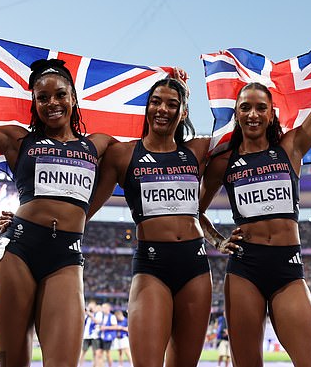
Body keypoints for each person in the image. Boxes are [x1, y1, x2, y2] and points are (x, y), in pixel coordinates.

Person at [0, 28, 117, 367]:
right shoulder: (18, 140)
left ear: (73, 98)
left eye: (60, 95)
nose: (52, 103)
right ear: (34, 103)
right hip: (18, 251)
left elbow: (156, 149)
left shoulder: (99, 145)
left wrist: (176, 93)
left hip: (67, 256)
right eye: (42, 98)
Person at [199, 25, 311, 366]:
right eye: (245, 108)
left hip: (288, 267)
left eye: (260, 108)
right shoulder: (223, 161)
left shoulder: (291, 146)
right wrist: (218, 241)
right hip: (244, 269)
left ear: (271, 114)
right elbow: (193, 210)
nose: (253, 114)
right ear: (236, 113)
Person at [87, 74, 215, 367]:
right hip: (151, 267)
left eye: (172, 104)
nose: (162, 109)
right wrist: (28, 219)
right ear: (146, 107)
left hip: (196, 267)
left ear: (183, 112)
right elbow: (86, 207)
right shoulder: (122, 155)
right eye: (156, 102)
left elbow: (245, 139)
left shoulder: (197, 151)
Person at [79, 300, 100, 367]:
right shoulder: (86, 315)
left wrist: (89, 314)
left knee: (95, 353)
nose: (90, 308)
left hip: (94, 336)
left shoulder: (98, 314)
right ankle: (80, 365)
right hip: (86, 336)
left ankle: (95, 365)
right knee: (83, 352)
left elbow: (97, 321)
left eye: (92, 306)